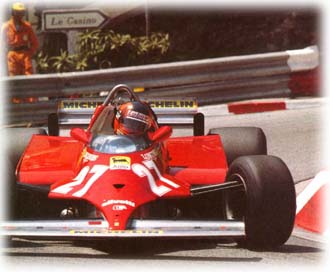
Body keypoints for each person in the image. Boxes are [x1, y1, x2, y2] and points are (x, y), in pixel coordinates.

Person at [1, 2, 39, 76]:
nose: (20, 14)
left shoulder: (27, 26)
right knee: (13, 78)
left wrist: (30, 53)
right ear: (13, 12)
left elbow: (35, 43)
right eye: (18, 12)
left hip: (25, 54)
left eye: (22, 12)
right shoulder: (6, 27)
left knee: (28, 76)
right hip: (12, 55)